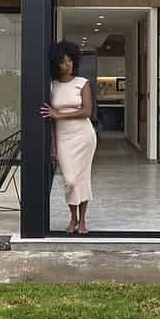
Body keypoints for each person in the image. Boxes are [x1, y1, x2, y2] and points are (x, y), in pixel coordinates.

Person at [41, 40, 97, 234]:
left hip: (84, 136)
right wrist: (53, 146)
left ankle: (81, 221)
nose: (68, 65)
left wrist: (60, 114)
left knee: (82, 179)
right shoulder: (51, 86)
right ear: (56, 63)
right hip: (63, 138)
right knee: (70, 180)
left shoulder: (82, 83)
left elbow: (87, 111)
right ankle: (72, 216)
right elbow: (51, 120)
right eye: (64, 62)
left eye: (71, 61)